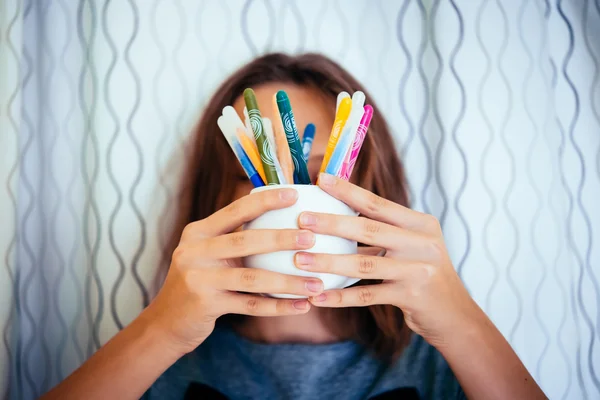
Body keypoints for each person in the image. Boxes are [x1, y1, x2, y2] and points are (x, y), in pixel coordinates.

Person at [42, 53, 545, 400]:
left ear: (372, 195)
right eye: (255, 175)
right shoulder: (158, 367)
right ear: (213, 202)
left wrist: (465, 326)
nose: (298, 202)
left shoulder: (448, 367)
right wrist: (158, 332)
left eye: (326, 172)